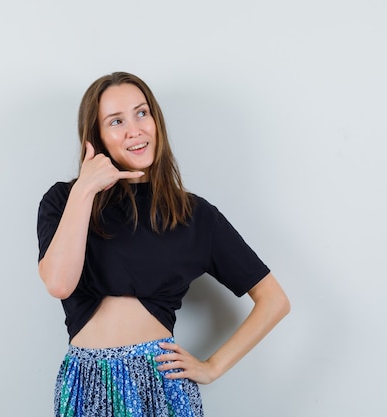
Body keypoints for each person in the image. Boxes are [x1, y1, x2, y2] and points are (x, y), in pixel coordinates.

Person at [36, 72, 290, 417]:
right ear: (96, 137)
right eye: (116, 121)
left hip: (160, 384)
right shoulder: (64, 201)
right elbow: (59, 282)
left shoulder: (194, 214)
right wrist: (85, 188)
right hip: (86, 383)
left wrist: (212, 367)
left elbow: (274, 300)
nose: (134, 130)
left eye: (142, 113)